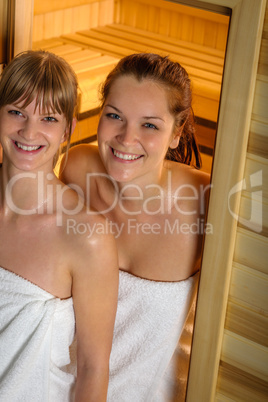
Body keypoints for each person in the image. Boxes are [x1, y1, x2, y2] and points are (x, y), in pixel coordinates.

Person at [60, 53, 211, 401]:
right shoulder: (77, 168)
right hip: (60, 385)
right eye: (115, 116)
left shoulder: (205, 202)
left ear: (177, 133)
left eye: (150, 125)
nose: (126, 138)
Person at [0, 50, 118, 402]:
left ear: (69, 128)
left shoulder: (87, 236)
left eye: (48, 118)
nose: (29, 131)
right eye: (16, 112)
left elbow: (93, 367)